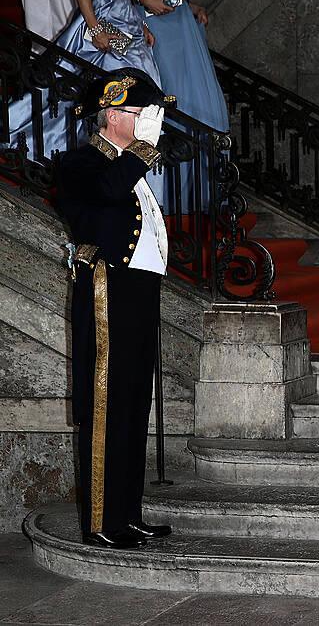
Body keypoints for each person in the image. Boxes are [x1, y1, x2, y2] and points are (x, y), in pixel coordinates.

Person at [57, 68, 174, 549]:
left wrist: (138, 153)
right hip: (108, 288)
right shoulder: (80, 162)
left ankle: (128, 515)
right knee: (107, 404)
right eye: (138, 111)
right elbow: (106, 194)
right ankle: (102, 522)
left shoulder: (129, 163)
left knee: (133, 403)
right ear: (110, 115)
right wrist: (142, 151)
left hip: (139, 290)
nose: (148, 119)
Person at [6, 0, 161, 161]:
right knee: (101, 87)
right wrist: (96, 29)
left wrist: (141, 23)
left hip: (127, 21)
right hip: (100, 17)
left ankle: (131, 155)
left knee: (142, 82)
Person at [132, 0, 229, 211]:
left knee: (205, 110)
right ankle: (170, 196)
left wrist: (191, 6)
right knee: (174, 105)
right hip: (153, 27)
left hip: (182, 24)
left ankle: (199, 198)